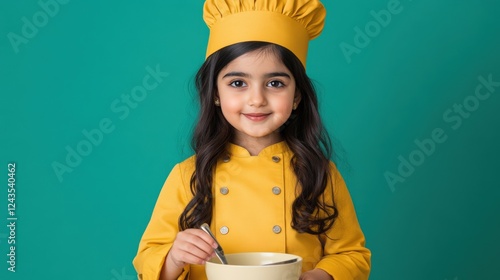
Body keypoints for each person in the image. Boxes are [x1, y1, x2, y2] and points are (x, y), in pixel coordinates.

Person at [133, 0, 371, 279]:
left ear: (296, 96)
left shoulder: (320, 174)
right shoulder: (188, 175)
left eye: (275, 83)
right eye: (237, 83)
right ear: (215, 94)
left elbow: (352, 255)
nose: (256, 99)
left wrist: (319, 276)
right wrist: (175, 256)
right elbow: (149, 261)